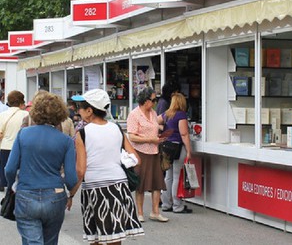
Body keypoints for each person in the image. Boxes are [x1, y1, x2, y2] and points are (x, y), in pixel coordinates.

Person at [4, 92, 79, 245]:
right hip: (55, 195)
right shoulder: (66, 141)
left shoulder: (23, 134)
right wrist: (69, 193)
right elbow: (71, 178)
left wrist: (12, 185)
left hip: (26, 193)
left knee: (32, 241)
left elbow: (10, 169)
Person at [72, 89, 144, 244]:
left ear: (89, 110)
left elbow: (80, 170)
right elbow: (136, 160)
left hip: (94, 187)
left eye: (80, 107)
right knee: (115, 237)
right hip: (119, 185)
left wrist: (71, 194)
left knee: (95, 237)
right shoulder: (116, 128)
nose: (78, 110)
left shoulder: (82, 133)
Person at [127, 87, 169, 222]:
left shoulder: (153, 113)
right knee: (141, 184)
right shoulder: (134, 114)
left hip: (154, 151)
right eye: (153, 100)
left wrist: (161, 136)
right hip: (140, 152)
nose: (155, 102)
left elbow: (155, 129)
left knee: (157, 182)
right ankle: (139, 212)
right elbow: (132, 136)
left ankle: (155, 212)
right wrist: (150, 139)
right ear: (145, 101)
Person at [158, 93, 193, 213]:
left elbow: (155, 121)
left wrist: (165, 130)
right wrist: (189, 151)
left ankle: (166, 204)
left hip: (166, 147)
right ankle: (177, 205)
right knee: (177, 177)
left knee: (168, 177)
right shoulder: (181, 115)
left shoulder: (166, 114)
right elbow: (184, 134)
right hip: (177, 147)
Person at [0, 90, 28, 192]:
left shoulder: (2, 115)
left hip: (5, 147)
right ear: (21, 102)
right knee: (21, 174)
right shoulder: (26, 115)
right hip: (22, 148)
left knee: (7, 174)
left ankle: (8, 194)